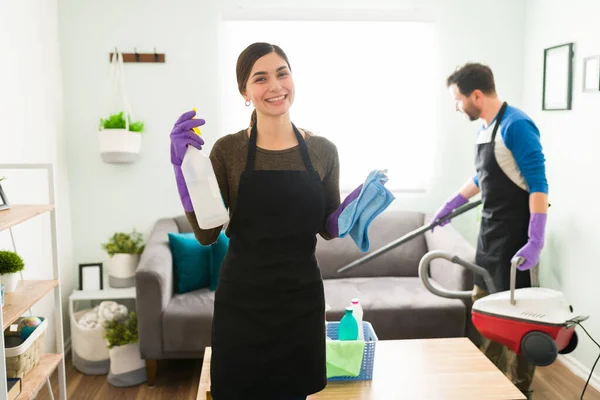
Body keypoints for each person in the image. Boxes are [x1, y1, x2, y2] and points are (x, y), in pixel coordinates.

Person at [168, 42, 373, 400]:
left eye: (282, 73)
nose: (275, 86)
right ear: (245, 92)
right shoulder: (228, 151)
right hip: (242, 303)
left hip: (301, 301)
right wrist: (184, 173)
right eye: (260, 78)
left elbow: (327, 227)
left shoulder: (323, 150)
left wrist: (356, 208)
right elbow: (206, 233)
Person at [431, 62, 548, 398]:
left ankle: (518, 390)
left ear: (477, 95)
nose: (456, 106)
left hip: (516, 244)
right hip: (490, 238)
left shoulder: (517, 125)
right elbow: (483, 176)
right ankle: (487, 387)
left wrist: (535, 241)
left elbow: (539, 186)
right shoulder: (486, 128)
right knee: (485, 316)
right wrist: (450, 204)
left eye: (458, 99)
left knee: (520, 323)